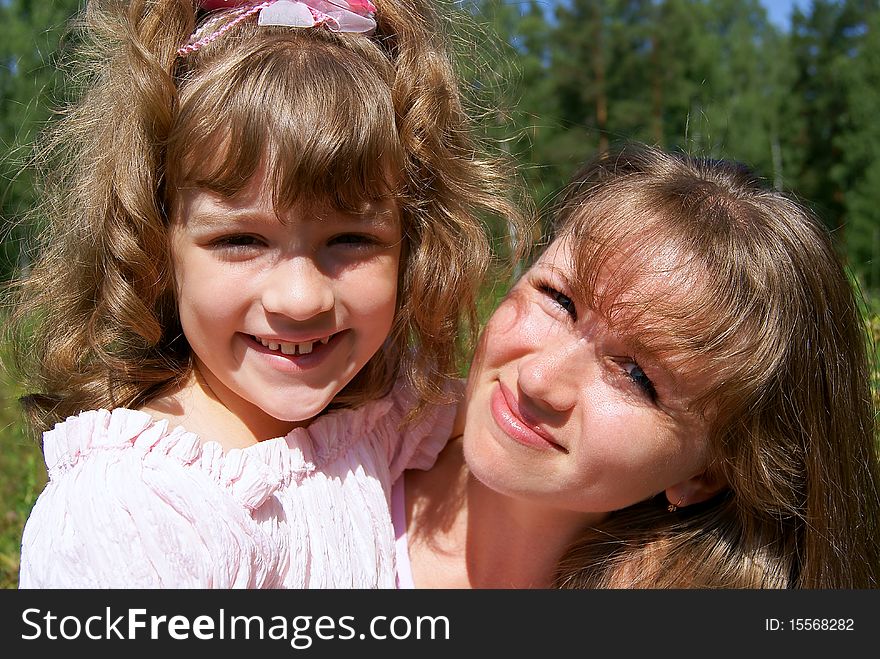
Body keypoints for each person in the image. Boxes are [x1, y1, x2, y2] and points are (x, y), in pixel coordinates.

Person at [8, 0, 525, 587]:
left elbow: (491, 421)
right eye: (239, 240)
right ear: (157, 244)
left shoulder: (376, 413)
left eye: (353, 239)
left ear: (413, 245)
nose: (300, 299)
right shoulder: (137, 508)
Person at [395, 144, 880, 589]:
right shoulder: (338, 444)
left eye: (638, 377)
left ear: (706, 475)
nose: (539, 380)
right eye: (559, 299)